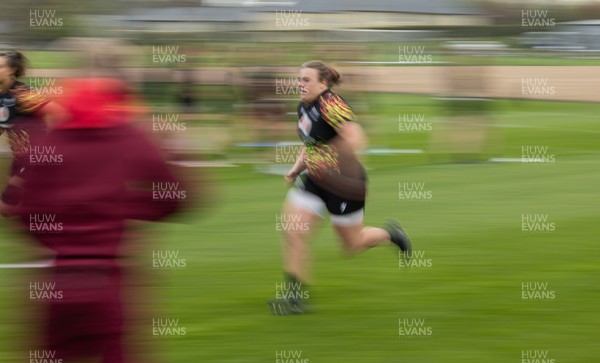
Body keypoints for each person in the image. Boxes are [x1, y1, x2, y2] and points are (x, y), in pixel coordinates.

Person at [13, 76, 185, 362]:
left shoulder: (49, 141)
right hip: (108, 280)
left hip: (58, 283)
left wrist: (61, 236)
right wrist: (128, 209)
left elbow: (27, 214)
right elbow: (176, 197)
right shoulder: (129, 137)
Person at [269, 61, 412, 315]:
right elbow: (312, 142)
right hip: (315, 179)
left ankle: (392, 235)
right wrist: (296, 168)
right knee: (293, 231)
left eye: (306, 80)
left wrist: (331, 161)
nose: (300, 84)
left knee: (352, 245)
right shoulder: (304, 107)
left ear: (323, 84)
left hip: (345, 184)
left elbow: (357, 139)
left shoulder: (330, 103)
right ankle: (294, 299)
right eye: (299, 79)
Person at [0, 50, 66, 216]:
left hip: (36, 156)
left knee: (7, 203)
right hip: (21, 157)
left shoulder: (23, 95)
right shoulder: (3, 96)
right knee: (10, 209)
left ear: (11, 70)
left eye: (0, 67)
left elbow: (60, 112)